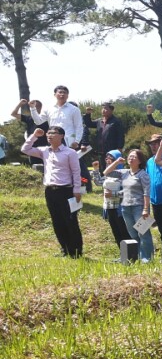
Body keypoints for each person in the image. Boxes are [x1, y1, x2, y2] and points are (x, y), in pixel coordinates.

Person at [21, 127, 84, 257]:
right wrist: (34, 135)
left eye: (53, 133)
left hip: (66, 190)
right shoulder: (44, 151)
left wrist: (77, 190)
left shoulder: (70, 152)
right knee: (57, 221)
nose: (49, 135)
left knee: (70, 221)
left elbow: (76, 172)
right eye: (48, 133)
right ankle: (64, 249)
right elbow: (25, 149)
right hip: (50, 191)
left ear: (61, 136)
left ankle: (76, 251)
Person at [103, 149, 154, 262]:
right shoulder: (124, 172)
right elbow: (106, 172)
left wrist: (146, 209)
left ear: (140, 161)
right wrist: (116, 162)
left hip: (139, 207)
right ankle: (137, 256)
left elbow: (146, 193)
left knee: (143, 233)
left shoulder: (143, 174)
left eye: (134, 157)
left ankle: (147, 258)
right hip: (126, 207)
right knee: (132, 234)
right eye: (129, 156)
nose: (130, 158)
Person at [90, 150, 132, 254]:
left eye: (111, 159)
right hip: (109, 207)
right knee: (116, 232)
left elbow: (128, 193)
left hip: (120, 208)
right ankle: (123, 255)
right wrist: (95, 169)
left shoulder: (124, 173)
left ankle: (131, 255)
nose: (108, 161)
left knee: (124, 232)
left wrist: (113, 194)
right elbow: (98, 182)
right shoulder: (108, 174)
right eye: (106, 158)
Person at [82, 103, 125, 168]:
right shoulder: (99, 121)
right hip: (101, 151)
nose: (103, 110)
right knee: (102, 170)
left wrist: (119, 148)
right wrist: (88, 114)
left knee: (111, 169)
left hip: (112, 151)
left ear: (111, 110)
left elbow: (121, 136)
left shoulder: (116, 122)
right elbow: (88, 124)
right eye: (103, 108)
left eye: (106, 108)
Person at [12, 99, 48, 165]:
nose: (33, 107)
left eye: (35, 106)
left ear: (40, 107)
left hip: (45, 147)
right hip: (32, 147)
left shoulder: (46, 119)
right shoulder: (29, 118)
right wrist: (20, 104)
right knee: (35, 167)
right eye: (32, 106)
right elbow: (14, 114)